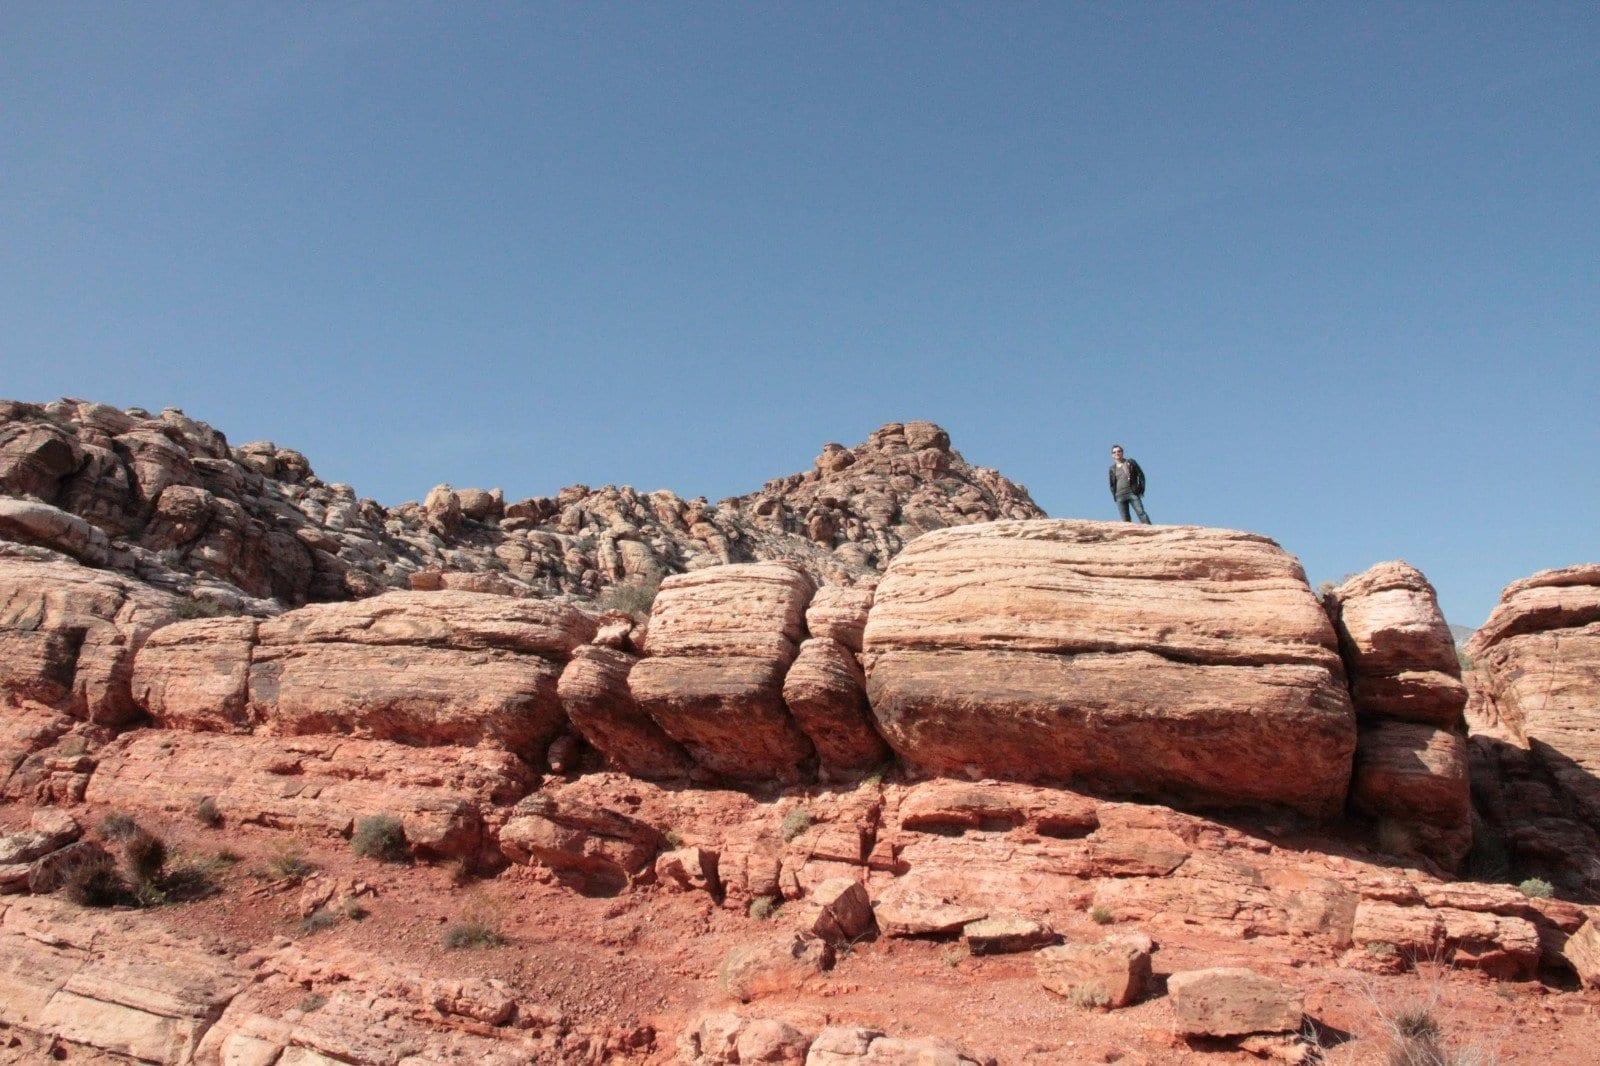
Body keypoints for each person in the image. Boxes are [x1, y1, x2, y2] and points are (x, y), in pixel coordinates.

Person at [1108, 445, 1151, 523]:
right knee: (1125, 519)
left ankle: (1149, 529)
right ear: (1112, 455)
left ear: (1122, 453)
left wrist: (1140, 489)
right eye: (1114, 452)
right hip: (1119, 495)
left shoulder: (1130, 462)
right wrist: (1114, 495)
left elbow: (1141, 475)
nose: (1117, 453)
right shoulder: (1112, 468)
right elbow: (1112, 483)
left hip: (1132, 492)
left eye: (1119, 451)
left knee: (1141, 513)